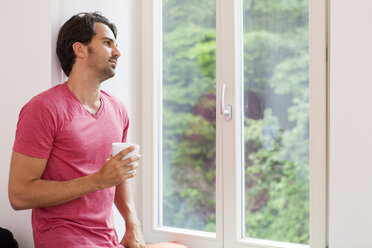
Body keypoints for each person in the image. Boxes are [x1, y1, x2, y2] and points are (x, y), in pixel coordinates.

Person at [8, 12, 146, 248]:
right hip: (64, 240)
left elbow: (118, 176)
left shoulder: (118, 109)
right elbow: (19, 195)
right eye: (107, 43)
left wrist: (133, 224)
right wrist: (97, 181)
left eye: (116, 44)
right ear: (80, 50)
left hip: (107, 240)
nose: (117, 52)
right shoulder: (43, 109)